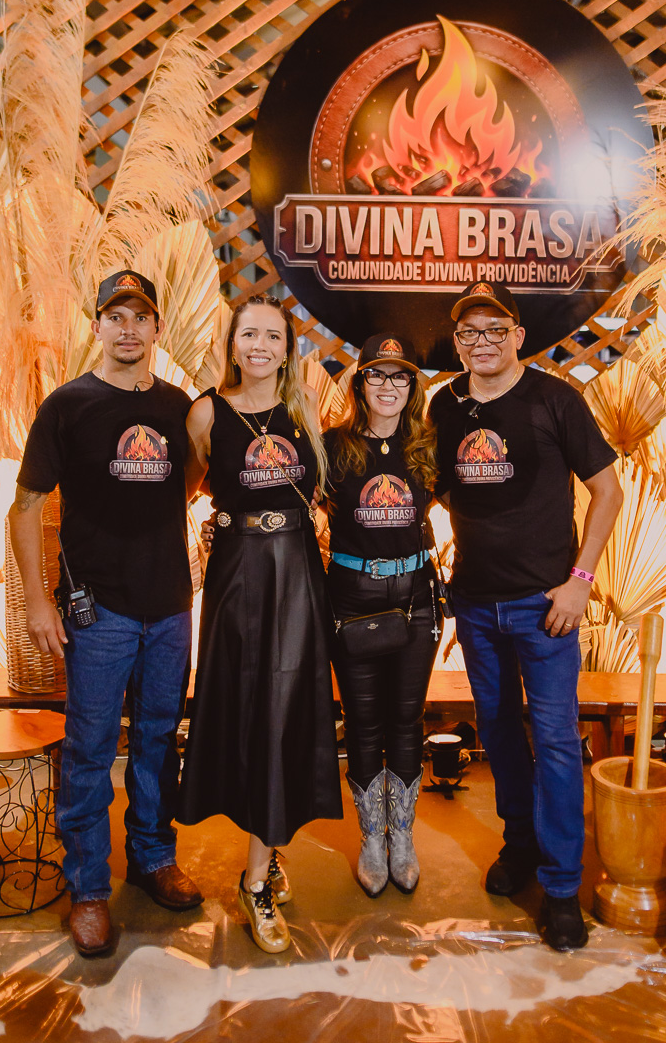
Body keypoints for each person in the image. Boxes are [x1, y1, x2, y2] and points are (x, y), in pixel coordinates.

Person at [8, 270, 203, 958]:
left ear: (156, 329)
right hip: (98, 613)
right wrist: (38, 600)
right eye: (115, 316)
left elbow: (189, 480)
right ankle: (88, 889)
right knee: (90, 751)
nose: (128, 329)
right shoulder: (68, 406)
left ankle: (152, 859)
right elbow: (26, 506)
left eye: (140, 317)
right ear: (97, 326)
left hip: (170, 606)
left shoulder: (179, 407)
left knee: (158, 741)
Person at [428, 280, 622, 951]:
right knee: (499, 733)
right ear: (458, 343)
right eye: (468, 333)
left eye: (493, 329)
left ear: (517, 335)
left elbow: (606, 490)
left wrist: (579, 581)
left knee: (557, 740)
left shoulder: (554, 399)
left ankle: (562, 887)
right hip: (475, 602)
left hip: (546, 608)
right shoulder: (443, 405)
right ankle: (519, 846)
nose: (480, 342)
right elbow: (432, 485)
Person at [176, 293, 342, 954]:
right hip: (241, 574)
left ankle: (266, 856)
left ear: (287, 348)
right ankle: (255, 882)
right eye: (249, 334)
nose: (260, 346)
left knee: (288, 709)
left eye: (273, 336)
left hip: (298, 569)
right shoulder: (206, 411)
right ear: (232, 343)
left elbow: (320, 492)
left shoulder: (304, 407)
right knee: (253, 710)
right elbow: (185, 490)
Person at [323, 334, 441, 897]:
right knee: (364, 720)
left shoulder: (428, 446)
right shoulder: (333, 447)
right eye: (377, 374)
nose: (388, 385)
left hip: (416, 599)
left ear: (412, 386)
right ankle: (373, 837)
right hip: (352, 599)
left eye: (399, 375)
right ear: (360, 384)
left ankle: (403, 836)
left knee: (406, 718)